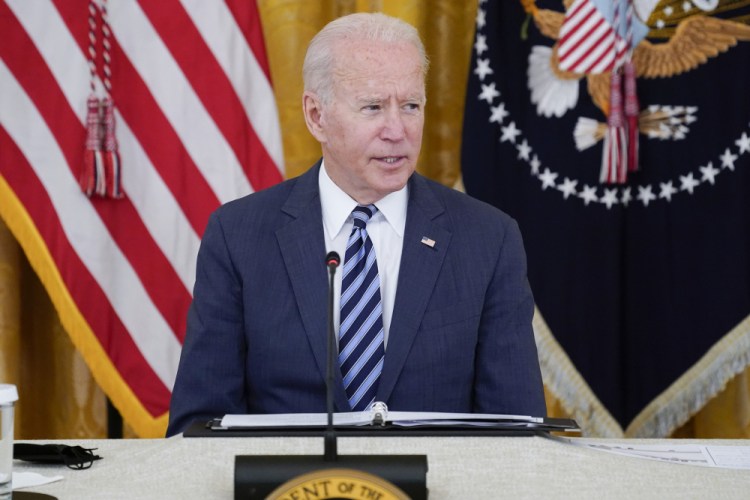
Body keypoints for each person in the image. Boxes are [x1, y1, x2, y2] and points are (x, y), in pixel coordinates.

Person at [166, 12, 545, 436]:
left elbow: (517, 434)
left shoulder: (489, 240)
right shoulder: (237, 236)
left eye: (411, 106)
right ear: (316, 116)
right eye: (373, 107)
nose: (397, 130)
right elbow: (199, 428)